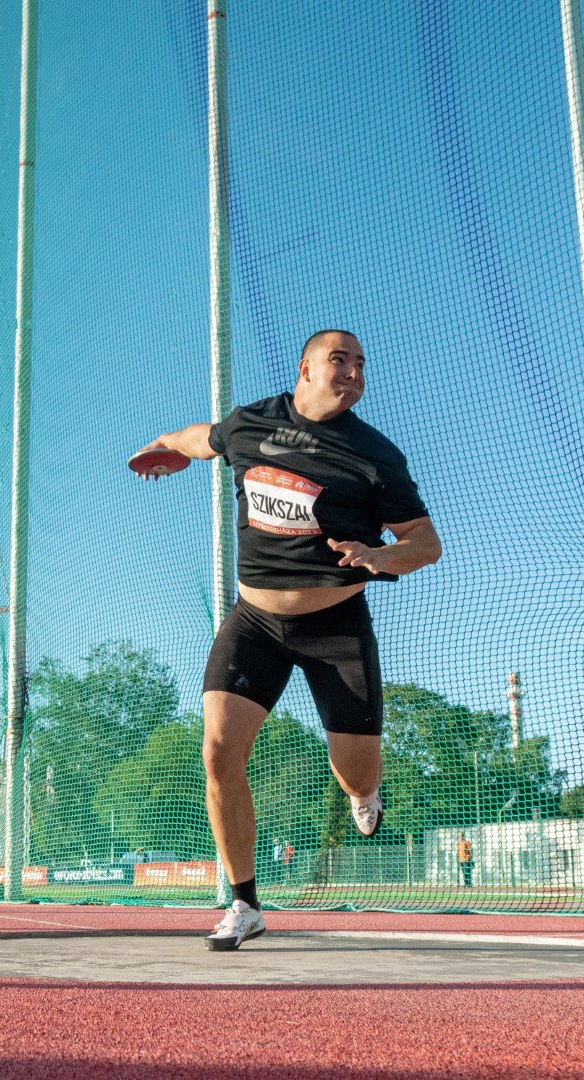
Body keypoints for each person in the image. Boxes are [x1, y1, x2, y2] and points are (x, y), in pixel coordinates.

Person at [136, 329, 442, 951]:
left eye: (361, 363)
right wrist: (169, 444)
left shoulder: (374, 456)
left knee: (354, 771)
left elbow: (426, 544)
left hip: (335, 625)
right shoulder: (253, 422)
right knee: (219, 749)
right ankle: (244, 902)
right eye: (340, 360)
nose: (354, 371)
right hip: (254, 622)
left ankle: (365, 792)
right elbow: (208, 438)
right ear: (305, 368)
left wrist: (379, 556)